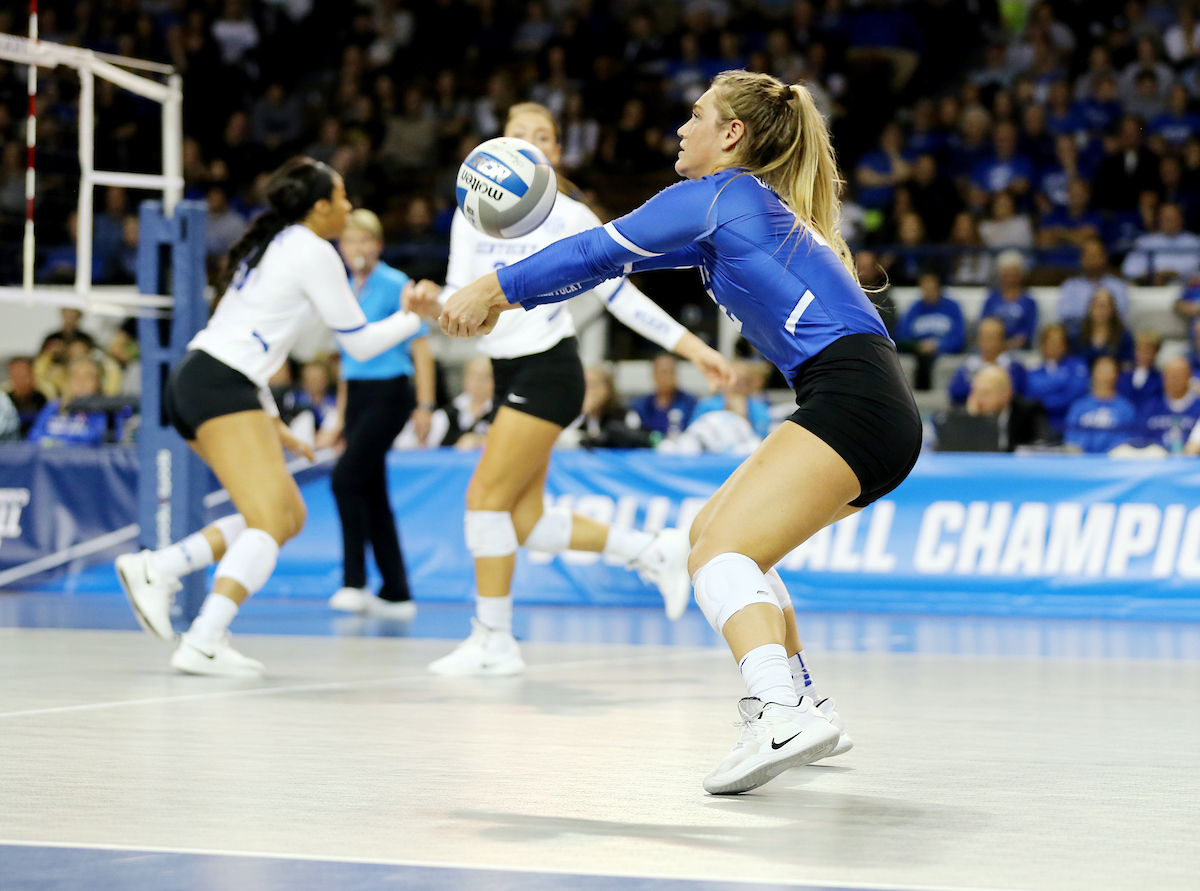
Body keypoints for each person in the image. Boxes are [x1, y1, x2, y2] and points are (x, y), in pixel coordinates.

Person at [437, 72, 923, 794]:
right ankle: (803, 700)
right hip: (866, 402)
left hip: (853, 398)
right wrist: (507, 297)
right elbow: (607, 270)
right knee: (712, 538)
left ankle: (781, 714)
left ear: (731, 135)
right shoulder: (734, 208)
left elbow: (593, 252)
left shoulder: (716, 197)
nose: (680, 129)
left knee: (721, 554)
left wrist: (491, 289)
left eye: (695, 116)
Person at [405, 102, 733, 678]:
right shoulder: (472, 208)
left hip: (548, 370)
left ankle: (493, 639)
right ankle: (653, 551)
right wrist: (431, 304)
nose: (531, 142)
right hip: (506, 371)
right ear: (499, 146)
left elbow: (622, 298)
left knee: (484, 500)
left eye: (544, 136)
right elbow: (463, 305)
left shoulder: (572, 217)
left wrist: (695, 349)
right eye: (519, 134)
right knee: (526, 523)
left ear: (555, 154)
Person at [114, 157, 426, 677]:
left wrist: (272, 420)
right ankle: (204, 638)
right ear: (319, 206)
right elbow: (360, 344)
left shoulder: (278, 244)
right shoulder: (313, 250)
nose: (348, 206)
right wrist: (415, 316)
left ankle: (161, 566)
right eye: (341, 196)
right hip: (220, 384)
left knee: (287, 516)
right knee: (269, 520)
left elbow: (247, 339)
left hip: (206, 380)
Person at [325, 209, 436, 620]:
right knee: (372, 491)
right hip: (357, 393)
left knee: (345, 480)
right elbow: (346, 359)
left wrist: (425, 405)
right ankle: (396, 591)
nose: (357, 248)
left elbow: (420, 348)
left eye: (364, 240)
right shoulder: (343, 289)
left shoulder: (394, 283)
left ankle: (354, 582)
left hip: (390, 390)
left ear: (378, 245)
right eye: (350, 241)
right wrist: (340, 419)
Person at [895, 270, 965, 391]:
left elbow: (959, 338)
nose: (928, 290)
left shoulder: (952, 307)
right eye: (925, 286)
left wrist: (938, 345)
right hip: (918, 354)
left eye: (931, 286)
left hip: (943, 353)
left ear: (938, 286)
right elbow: (901, 336)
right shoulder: (914, 308)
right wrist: (918, 345)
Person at [27, 356, 112, 447]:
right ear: (68, 380)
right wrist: (52, 442)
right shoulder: (54, 406)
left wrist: (61, 442)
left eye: (88, 376)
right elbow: (34, 435)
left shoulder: (102, 409)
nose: (81, 382)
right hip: (50, 455)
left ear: (98, 382)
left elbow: (94, 437)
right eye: (76, 376)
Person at [1025, 324, 1089, 437]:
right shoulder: (1033, 371)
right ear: (1042, 345)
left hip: (1071, 425)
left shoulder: (1077, 366)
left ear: (1065, 345)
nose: (1055, 346)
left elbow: (1076, 395)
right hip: (1041, 427)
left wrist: (1045, 396)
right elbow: (1031, 397)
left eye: (1059, 342)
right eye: (1051, 342)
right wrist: (1060, 386)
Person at [1064, 356, 1137, 454]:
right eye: (1101, 372)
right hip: (1083, 460)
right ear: (1093, 374)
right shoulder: (1079, 407)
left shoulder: (1126, 408)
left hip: (1114, 460)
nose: (1105, 377)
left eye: (1109, 372)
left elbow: (1128, 440)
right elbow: (1071, 439)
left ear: (1116, 375)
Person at [947, 316, 1028, 405]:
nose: (988, 342)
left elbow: (1015, 392)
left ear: (1002, 340)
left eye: (992, 337)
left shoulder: (1014, 367)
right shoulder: (968, 366)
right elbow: (956, 392)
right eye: (984, 336)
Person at [1057, 239, 1129, 334]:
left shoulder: (1117, 285)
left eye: (1096, 255)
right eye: (1089, 256)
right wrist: (1096, 317)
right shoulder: (1071, 286)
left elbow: (1121, 314)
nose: (1092, 260)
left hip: (1110, 334)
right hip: (1077, 334)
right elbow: (1065, 315)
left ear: (1104, 257)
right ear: (1082, 259)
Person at [691, 359, 773, 439]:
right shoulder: (707, 405)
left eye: (742, 381)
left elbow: (762, 438)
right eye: (732, 381)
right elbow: (693, 434)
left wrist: (743, 416)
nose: (737, 386)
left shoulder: (759, 408)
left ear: (749, 384)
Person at [1121, 203, 1200, 284]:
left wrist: (1168, 274)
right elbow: (1128, 269)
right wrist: (1149, 275)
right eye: (1166, 218)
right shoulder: (1145, 242)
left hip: (1183, 285)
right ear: (1159, 220)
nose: (1169, 222)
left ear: (1181, 219)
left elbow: (1194, 267)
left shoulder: (1192, 242)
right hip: (1149, 285)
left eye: (1173, 218)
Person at [1137, 357, 1200, 453]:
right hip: (1155, 459)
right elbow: (1139, 439)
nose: (1175, 380)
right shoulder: (1150, 407)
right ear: (1163, 378)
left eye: (1179, 375)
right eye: (1171, 376)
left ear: (1189, 376)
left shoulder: (1197, 406)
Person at [631, 352, 698, 439]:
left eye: (670, 371)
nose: (666, 377)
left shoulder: (690, 404)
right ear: (654, 375)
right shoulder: (641, 405)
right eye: (662, 372)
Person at [980, 250, 1038, 350]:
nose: (1010, 278)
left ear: (1021, 275)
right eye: (1006, 273)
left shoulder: (1029, 303)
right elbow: (984, 326)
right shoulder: (991, 301)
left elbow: (1028, 332)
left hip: (1020, 350)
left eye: (1014, 273)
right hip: (992, 347)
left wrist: (1005, 346)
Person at [1071, 288, 1134, 368]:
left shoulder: (1124, 336)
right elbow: (1072, 362)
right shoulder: (1077, 334)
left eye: (1104, 306)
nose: (1100, 310)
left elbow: (1127, 365)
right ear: (1090, 308)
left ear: (1112, 309)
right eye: (1097, 306)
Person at [1117, 331, 1165, 411]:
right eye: (1141, 350)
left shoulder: (1160, 379)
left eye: (1149, 351)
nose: (1144, 354)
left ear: (1156, 352)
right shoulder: (1124, 376)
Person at [4, 356, 48, 437]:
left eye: (23, 375)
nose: (20, 380)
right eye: (16, 375)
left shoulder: (43, 399)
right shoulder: (5, 401)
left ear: (32, 375)